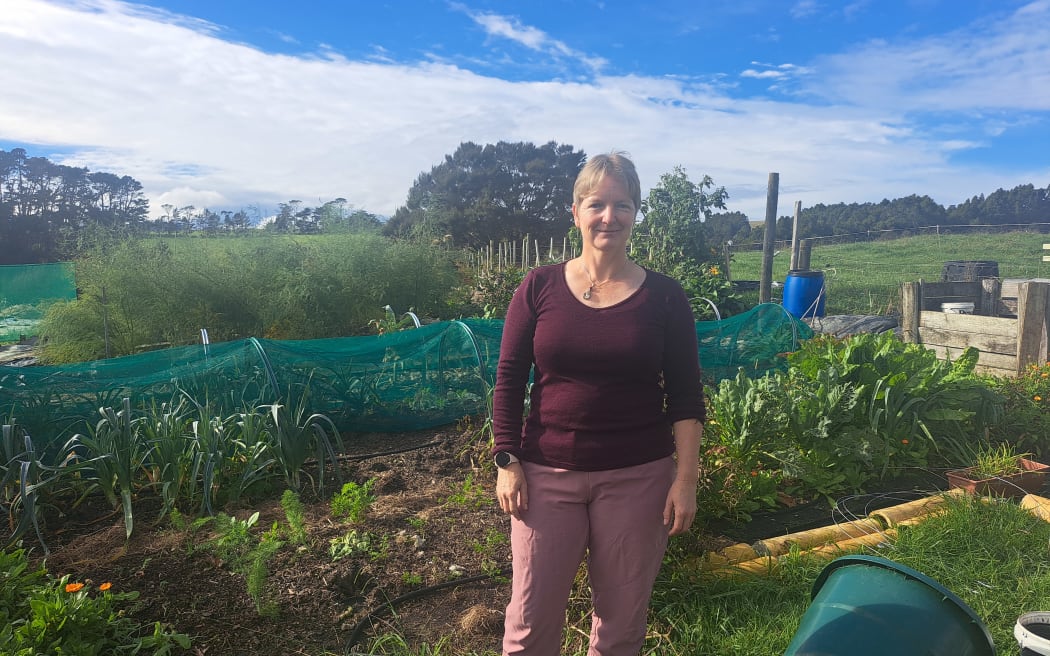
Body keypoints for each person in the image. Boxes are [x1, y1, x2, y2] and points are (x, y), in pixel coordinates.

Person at [491, 151, 705, 656]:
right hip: (545, 475)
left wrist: (686, 479)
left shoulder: (665, 298)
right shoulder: (539, 287)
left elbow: (686, 396)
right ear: (576, 213)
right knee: (529, 620)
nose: (609, 216)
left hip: (637, 477)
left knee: (620, 625)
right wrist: (506, 458)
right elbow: (507, 378)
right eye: (596, 204)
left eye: (622, 205)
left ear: (635, 214)